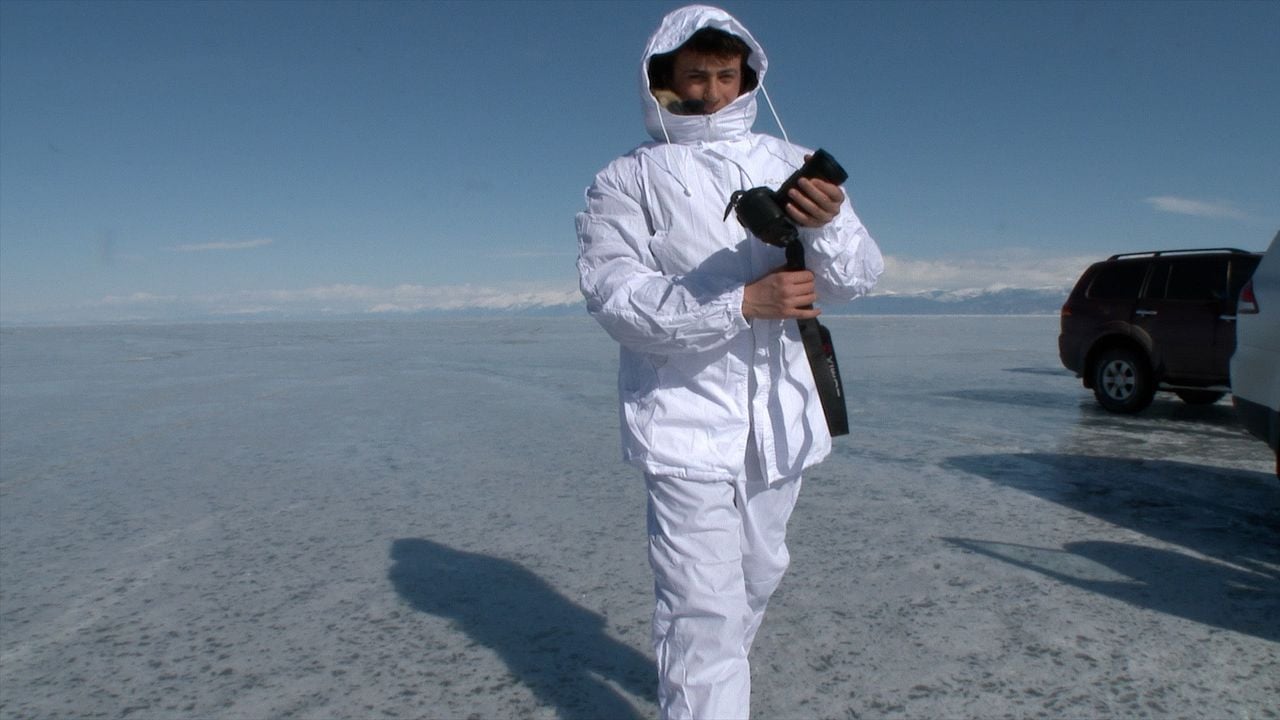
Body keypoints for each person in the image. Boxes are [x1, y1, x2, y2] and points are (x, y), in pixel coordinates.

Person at [575, 5, 883, 719]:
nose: (712, 92)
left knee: (757, 574)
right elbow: (614, 295)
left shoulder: (788, 160)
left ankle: (703, 681)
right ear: (663, 79)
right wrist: (740, 303)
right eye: (695, 76)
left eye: (725, 75)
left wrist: (828, 225)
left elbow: (857, 278)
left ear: (748, 76)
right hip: (683, 421)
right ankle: (704, 690)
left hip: (781, 419)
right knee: (702, 606)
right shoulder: (625, 180)